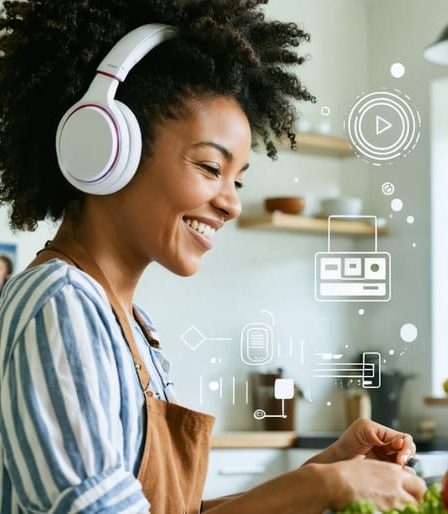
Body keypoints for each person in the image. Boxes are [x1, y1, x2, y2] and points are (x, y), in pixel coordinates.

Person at [0, 1, 426, 513]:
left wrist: (321, 472)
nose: (231, 202)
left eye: (237, 179)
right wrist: (319, 491)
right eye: (209, 166)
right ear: (108, 149)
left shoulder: (131, 327)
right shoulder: (59, 305)